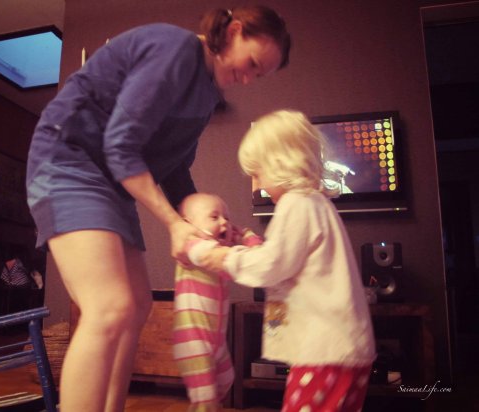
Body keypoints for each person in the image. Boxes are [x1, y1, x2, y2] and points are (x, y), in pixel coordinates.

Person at [25, 6, 291, 412]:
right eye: (252, 63)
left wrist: (202, 224)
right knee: (109, 308)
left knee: (136, 307)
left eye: (260, 74)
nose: (250, 78)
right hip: (67, 162)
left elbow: (176, 170)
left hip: (111, 182)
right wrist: (172, 223)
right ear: (234, 31)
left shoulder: (207, 96)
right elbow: (120, 144)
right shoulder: (177, 49)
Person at [192, 110, 376, 412]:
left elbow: (270, 265)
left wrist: (222, 256)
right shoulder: (316, 203)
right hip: (344, 348)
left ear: (280, 165)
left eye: (258, 172)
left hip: (324, 351)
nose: (256, 183)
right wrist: (249, 241)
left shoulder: (297, 203)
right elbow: (288, 259)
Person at [172, 193, 262, 411]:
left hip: (216, 340)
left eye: (227, 218)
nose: (224, 222)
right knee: (206, 398)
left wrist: (246, 235)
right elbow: (227, 261)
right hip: (194, 341)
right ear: (188, 225)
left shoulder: (219, 249)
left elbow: (256, 255)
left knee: (225, 381)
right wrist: (245, 243)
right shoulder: (192, 247)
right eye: (214, 217)